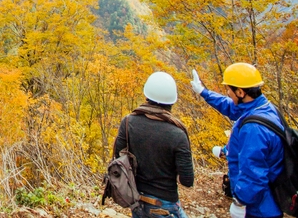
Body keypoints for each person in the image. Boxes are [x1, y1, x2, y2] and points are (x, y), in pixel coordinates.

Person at [191, 63, 284, 218]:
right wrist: (204, 92)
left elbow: (253, 172)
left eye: (229, 89)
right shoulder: (262, 107)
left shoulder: (254, 129)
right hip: (265, 202)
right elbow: (230, 107)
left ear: (240, 92)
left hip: (259, 209)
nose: (227, 93)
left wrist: (240, 202)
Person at [113, 71, 194, 218]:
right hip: (165, 204)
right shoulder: (178, 134)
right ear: (172, 101)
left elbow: (117, 158)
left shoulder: (128, 122)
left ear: (147, 96)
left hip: (137, 200)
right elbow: (187, 180)